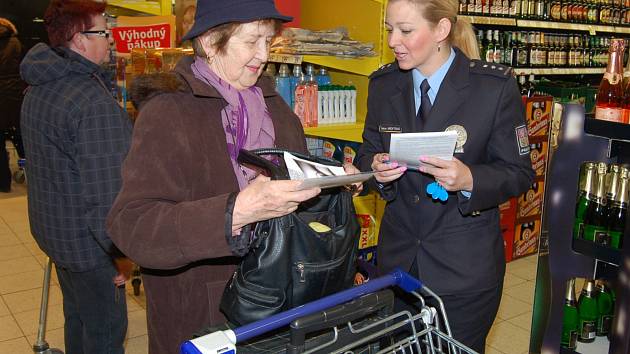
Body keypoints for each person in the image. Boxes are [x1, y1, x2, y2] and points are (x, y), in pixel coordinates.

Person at [106, 0, 361, 352]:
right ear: (211, 42)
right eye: (252, 41)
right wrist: (236, 211)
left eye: (268, 40)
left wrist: (331, 183)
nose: (263, 53)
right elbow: (132, 225)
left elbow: (295, 200)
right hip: (202, 316)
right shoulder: (170, 112)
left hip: (279, 305)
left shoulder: (278, 110)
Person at [355, 0, 535, 352]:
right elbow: (367, 151)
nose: (393, 41)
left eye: (406, 31)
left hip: (463, 271)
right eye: (390, 29)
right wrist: (375, 169)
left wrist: (470, 179)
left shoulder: (492, 88)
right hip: (399, 266)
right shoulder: (383, 85)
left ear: (441, 30)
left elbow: (519, 174)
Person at [20, 1, 133, 353]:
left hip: (55, 233)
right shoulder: (91, 102)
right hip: (90, 248)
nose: (110, 39)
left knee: (78, 318)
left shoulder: (40, 85)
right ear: (78, 40)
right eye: (102, 32)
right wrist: (121, 253)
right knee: (105, 330)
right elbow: (106, 194)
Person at [0, 18, 26, 193]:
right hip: (15, 96)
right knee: (21, 138)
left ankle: (3, 183)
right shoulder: (16, 44)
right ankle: (36, 176)